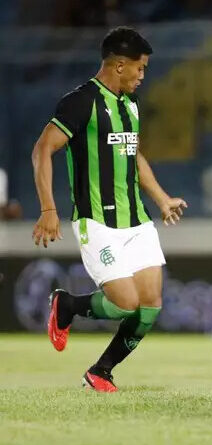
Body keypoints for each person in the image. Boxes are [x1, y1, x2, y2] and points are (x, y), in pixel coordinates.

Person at [31, 27, 187, 393]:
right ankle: (67, 305)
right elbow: (42, 150)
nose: (142, 76)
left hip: (136, 221)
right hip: (97, 221)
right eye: (140, 68)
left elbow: (132, 155)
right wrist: (48, 208)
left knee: (150, 305)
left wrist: (162, 199)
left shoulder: (129, 105)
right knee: (124, 304)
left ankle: (101, 371)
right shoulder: (81, 101)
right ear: (119, 66)